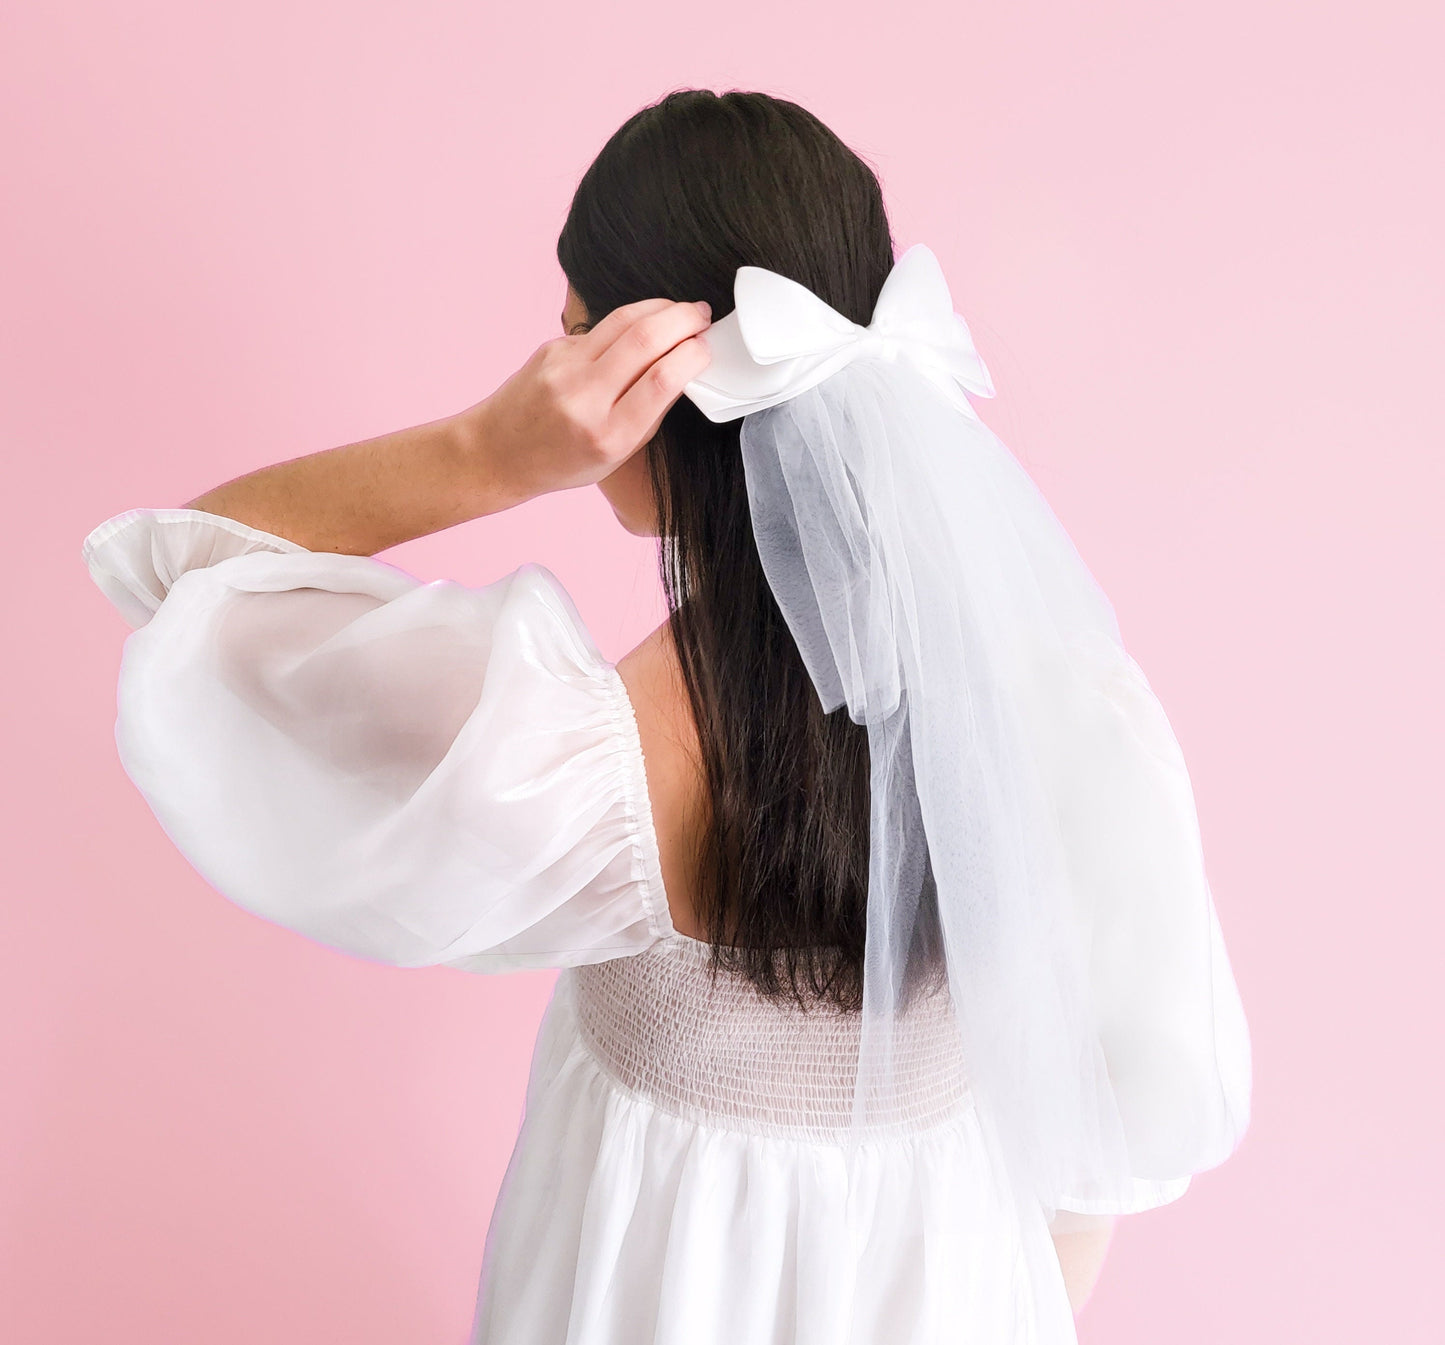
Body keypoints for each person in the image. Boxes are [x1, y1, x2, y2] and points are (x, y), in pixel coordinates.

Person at [83, 89, 1249, 1344]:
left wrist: (487, 449)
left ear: (638, 382)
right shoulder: (1069, 716)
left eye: (574, 331)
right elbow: (1102, 1155)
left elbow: (185, 575)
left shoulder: (575, 758)